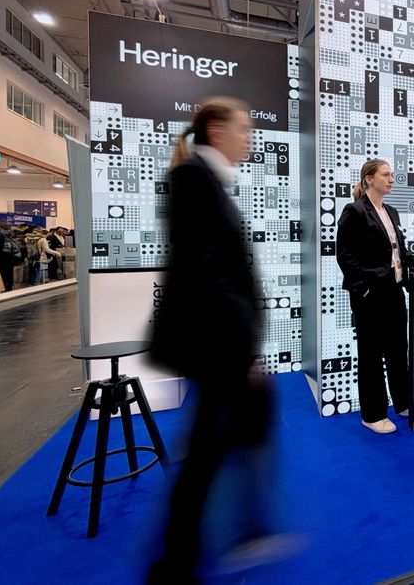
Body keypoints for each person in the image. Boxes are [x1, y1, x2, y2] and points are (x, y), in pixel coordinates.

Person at [148, 99, 277, 582]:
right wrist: (245, 348)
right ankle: (179, 560)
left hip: (219, 340)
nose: (249, 138)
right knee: (209, 449)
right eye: (243, 129)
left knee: (216, 442)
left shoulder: (206, 182)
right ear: (217, 130)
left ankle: (214, 541)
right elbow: (210, 274)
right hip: (214, 340)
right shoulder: (192, 182)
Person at [336, 158, 414, 435]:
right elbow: (345, 255)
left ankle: (407, 403)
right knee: (371, 355)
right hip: (370, 295)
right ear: (369, 179)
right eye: (385, 174)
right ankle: (372, 414)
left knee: (398, 351)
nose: (391, 179)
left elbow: (398, 253)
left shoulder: (391, 212)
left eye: (392, 175)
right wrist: (363, 288)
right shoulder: (355, 211)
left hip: (394, 290)